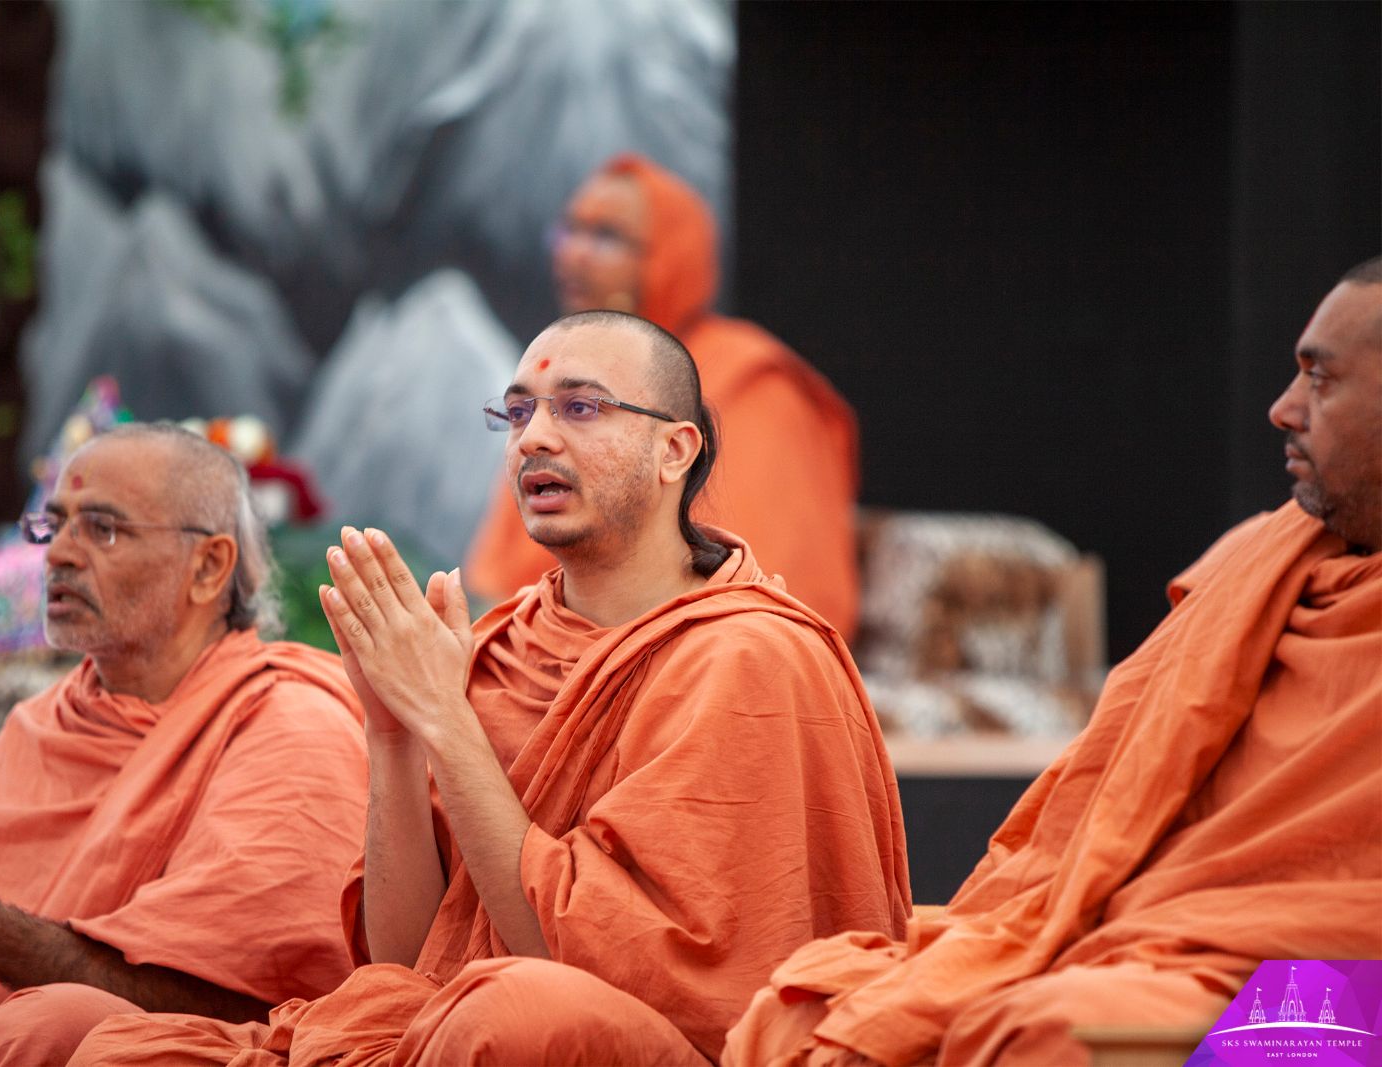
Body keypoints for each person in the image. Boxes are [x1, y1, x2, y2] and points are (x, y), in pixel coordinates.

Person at [68, 311, 909, 1065]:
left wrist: (445, 715)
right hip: (461, 1034)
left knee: (513, 1009)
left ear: (674, 450)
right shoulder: (502, 644)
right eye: (517, 412)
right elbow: (405, 964)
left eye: (579, 407)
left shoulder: (751, 654)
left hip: (636, 1043)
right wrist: (395, 734)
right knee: (73, 1031)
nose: (533, 437)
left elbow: (603, 973)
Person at [721, 258, 1382, 1067]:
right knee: (808, 1009)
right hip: (1140, 934)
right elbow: (1100, 809)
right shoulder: (1260, 562)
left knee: (1053, 1033)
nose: (1282, 410)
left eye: (1320, 379)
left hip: (1349, 996)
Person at [0, 424, 370, 1065]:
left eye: (103, 528)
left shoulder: (289, 720)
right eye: (52, 526)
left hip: (146, 1048)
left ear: (208, 567)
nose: (58, 552)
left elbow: (250, 1001)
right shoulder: (46, 721)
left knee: (66, 1023)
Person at [465, 153, 863, 639]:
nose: (574, 255)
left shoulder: (755, 383)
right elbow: (497, 590)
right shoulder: (554, 386)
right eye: (568, 231)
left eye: (605, 236)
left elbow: (773, 599)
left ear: (673, 254)